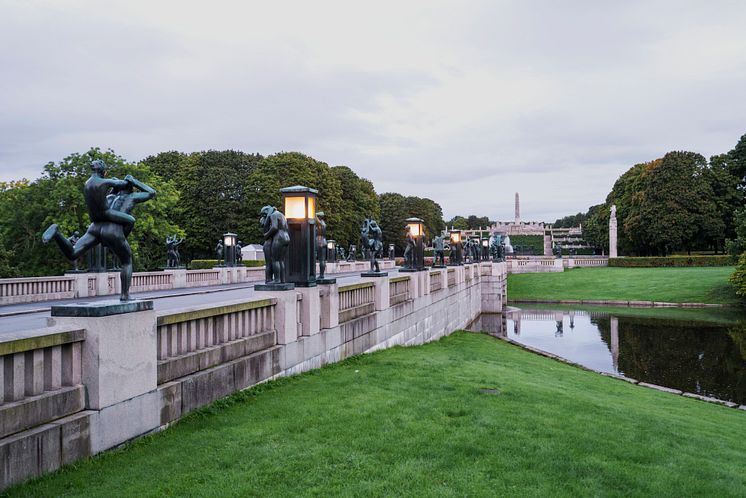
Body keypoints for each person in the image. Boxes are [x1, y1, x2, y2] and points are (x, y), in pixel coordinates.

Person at [42, 160, 154, 301]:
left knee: (73, 253)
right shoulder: (130, 197)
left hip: (95, 227)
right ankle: (125, 295)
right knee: (127, 261)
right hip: (112, 229)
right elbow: (151, 192)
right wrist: (134, 181)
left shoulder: (109, 196)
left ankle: (57, 233)